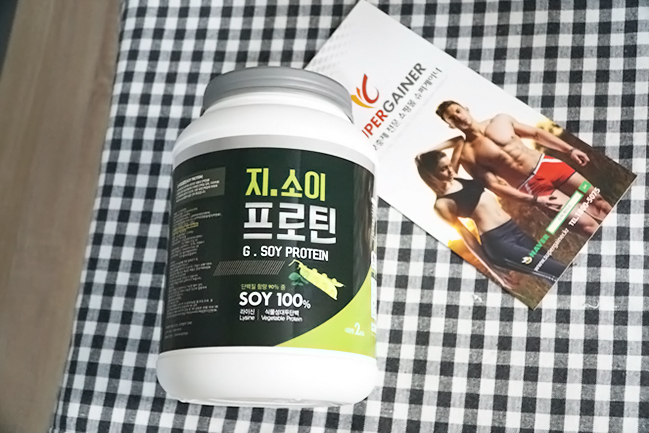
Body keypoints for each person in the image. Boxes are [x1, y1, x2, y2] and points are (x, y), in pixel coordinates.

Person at [434, 100, 611, 237]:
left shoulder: (500, 120)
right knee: (584, 225)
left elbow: (536, 134)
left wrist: (569, 150)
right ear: (451, 125)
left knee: (599, 203)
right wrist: (533, 200)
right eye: (452, 118)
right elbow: (494, 186)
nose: (458, 117)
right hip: (532, 187)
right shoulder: (468, 155)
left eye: (458, 111)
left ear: (466, 109)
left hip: (548, 166)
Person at [415, 150, 567, 285]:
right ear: (431, 175)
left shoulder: (454, 177)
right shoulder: (442, 204)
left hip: (514, 230)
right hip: (499, 243)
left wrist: (421, 158)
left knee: (551, 271)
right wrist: (493, 271)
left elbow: (459, 140)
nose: (450, 170)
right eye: (443, 169)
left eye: (449, 165)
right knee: (558, 270)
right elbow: (466, 236)